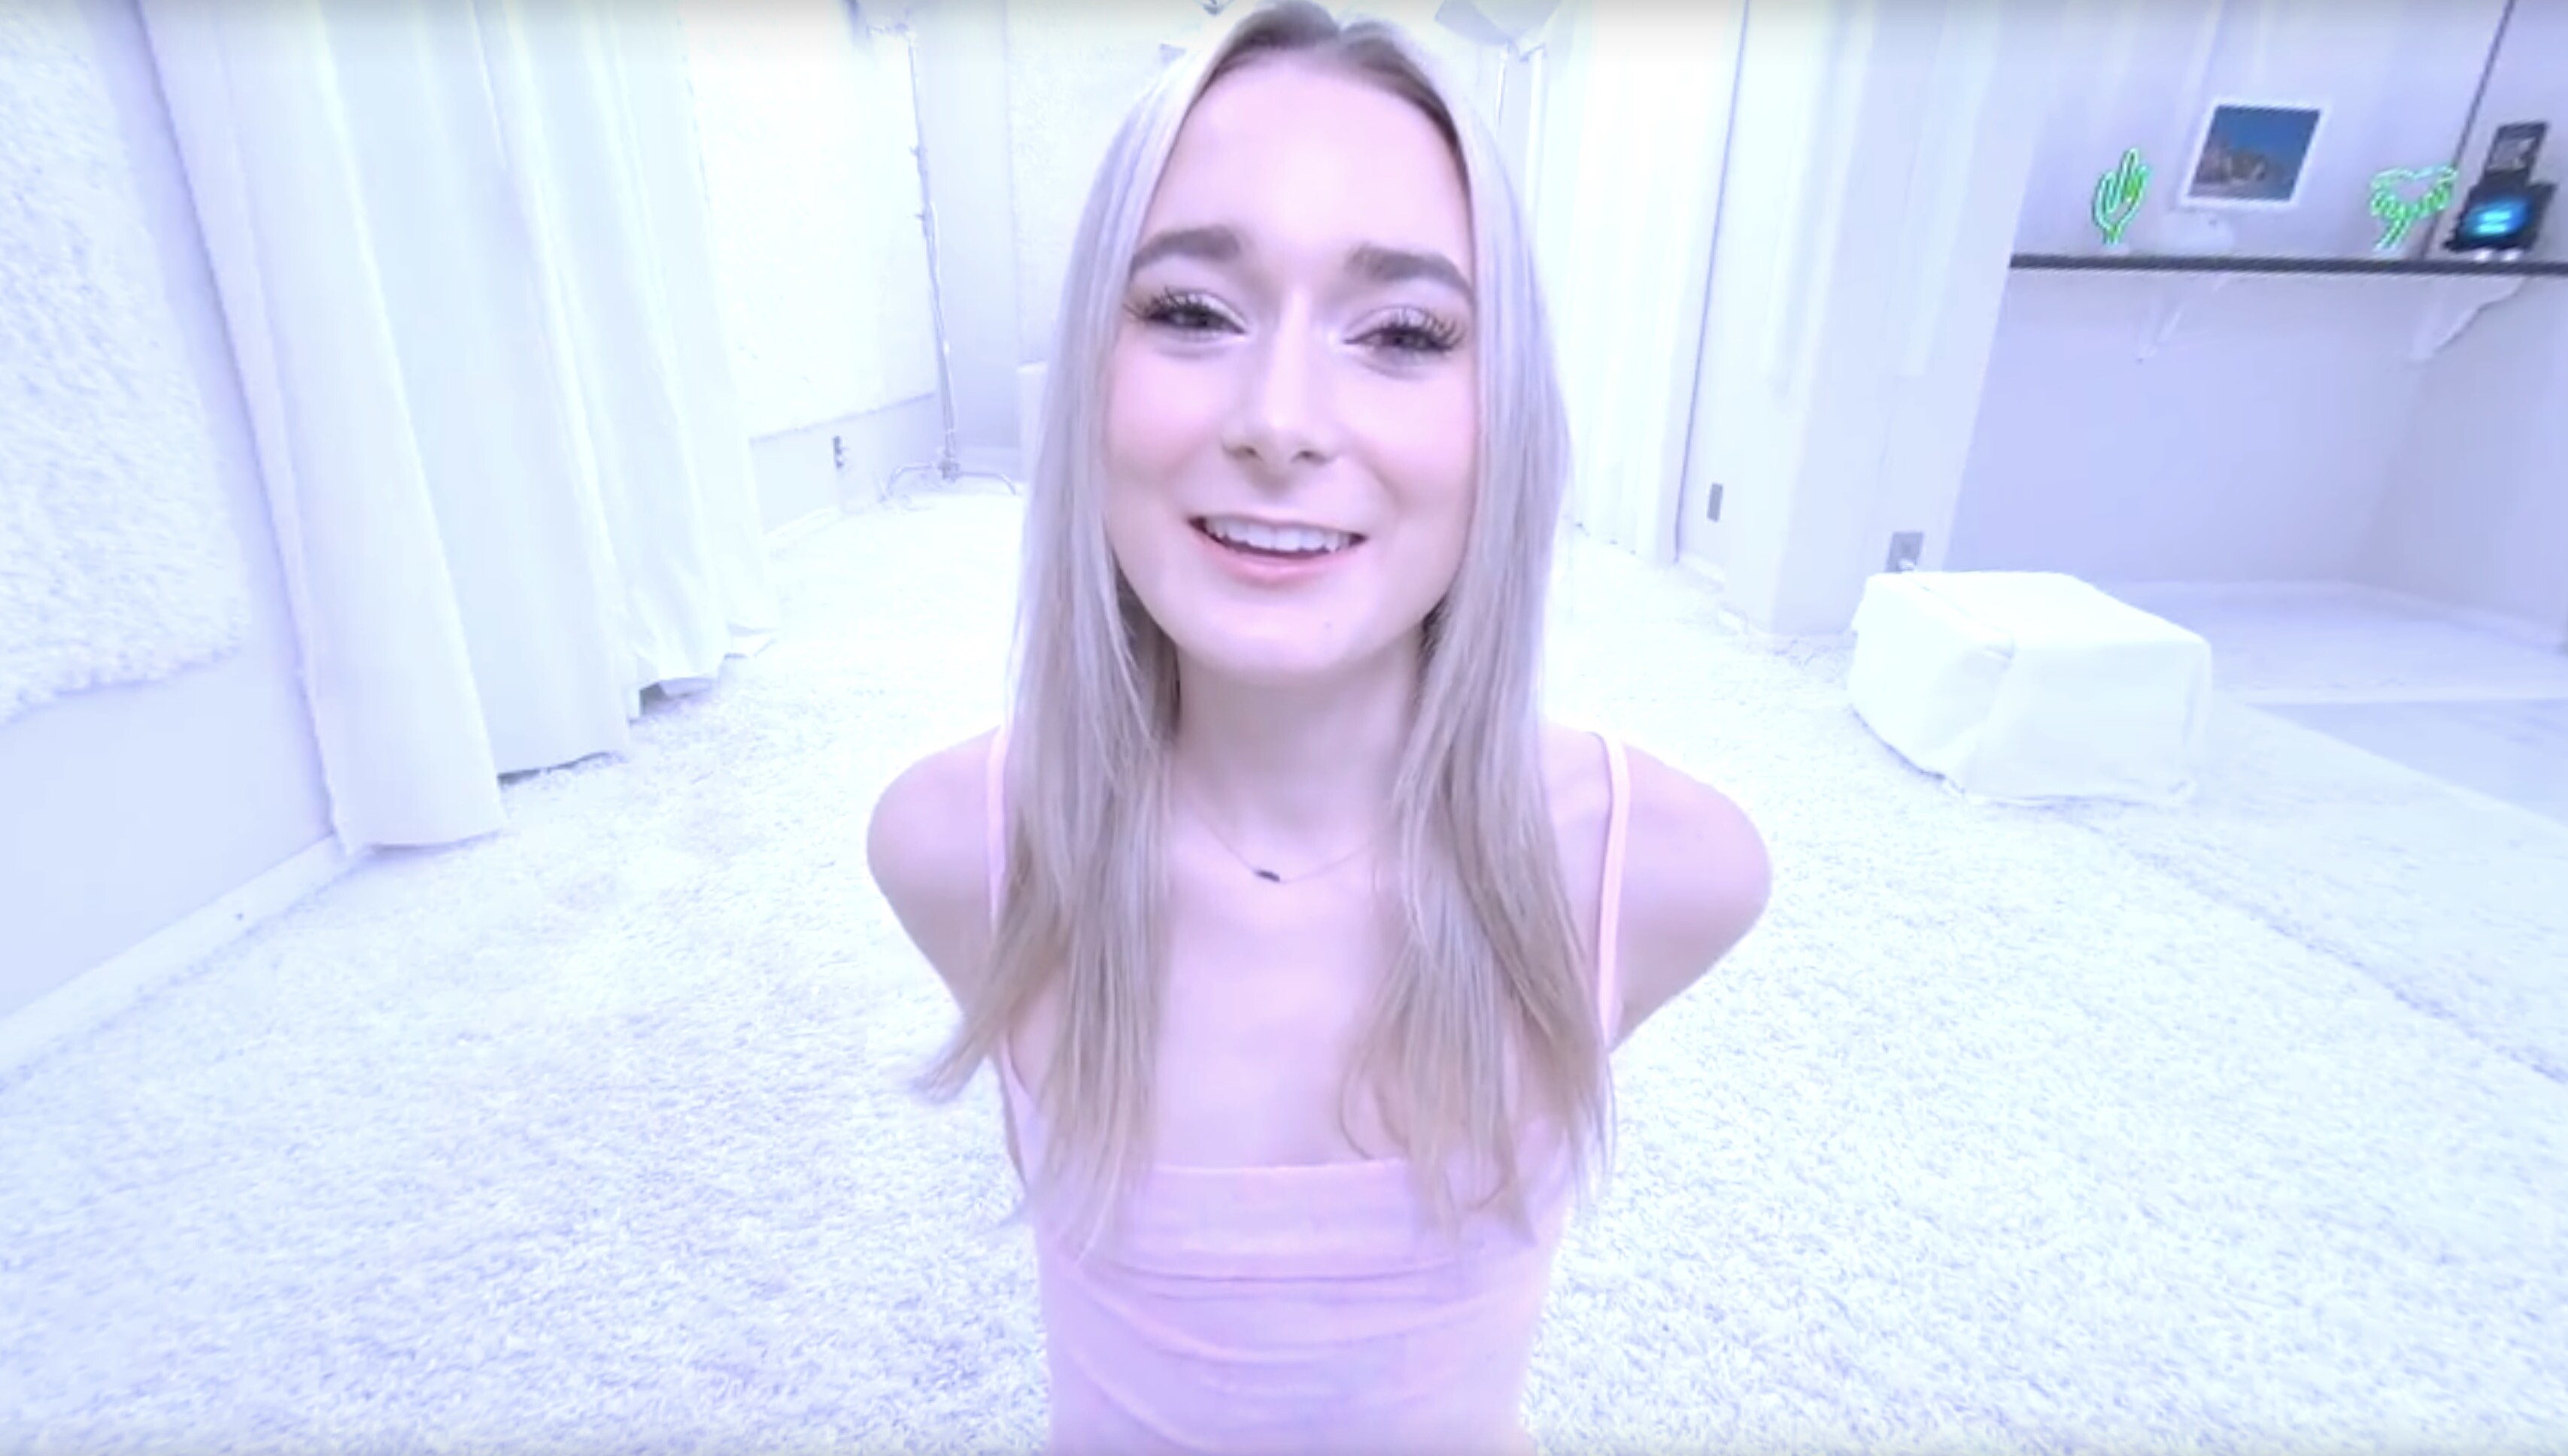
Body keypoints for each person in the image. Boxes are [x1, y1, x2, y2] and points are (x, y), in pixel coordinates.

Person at [867, 2, 1769, 1449]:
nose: (1279, 419)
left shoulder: (1661, 869)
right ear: (1090, 377)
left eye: (1403, 332)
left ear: (1504, 417)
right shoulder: (951, 847)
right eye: (1189, 312)